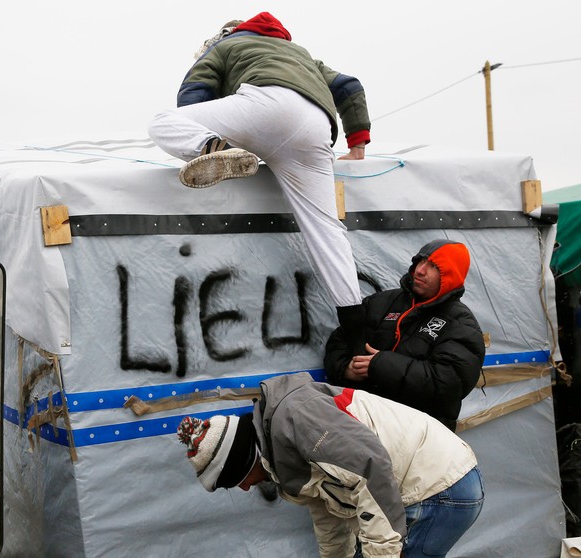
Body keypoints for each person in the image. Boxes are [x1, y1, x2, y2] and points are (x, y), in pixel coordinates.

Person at [147, 12, 371, 352]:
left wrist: (211, 131)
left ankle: (212, 149)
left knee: (162, 121)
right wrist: (357, 146)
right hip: (315, 126)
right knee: (326, 232)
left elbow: (193, 93)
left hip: (264, 106)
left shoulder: (225, 45)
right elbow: (349, 86)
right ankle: (357, 333)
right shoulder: (303, 55)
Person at [176, 372, 484, 558]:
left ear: (242, 460)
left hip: (439, 486)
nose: (244, 488)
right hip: (424, 485)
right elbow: (328, 517)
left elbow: (370, 469)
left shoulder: (297, 420)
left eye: (236, 480)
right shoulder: (281, 455)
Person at [324, 239, 485, 432]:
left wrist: (381, 365)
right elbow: (341, 338)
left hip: (419, 435)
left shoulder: (461, 325)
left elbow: (449, 384)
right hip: (363, 427)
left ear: (450, 276)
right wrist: (344, 368)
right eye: (420, 261)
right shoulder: (381, 302)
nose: (420, 270)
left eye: (433, 266)